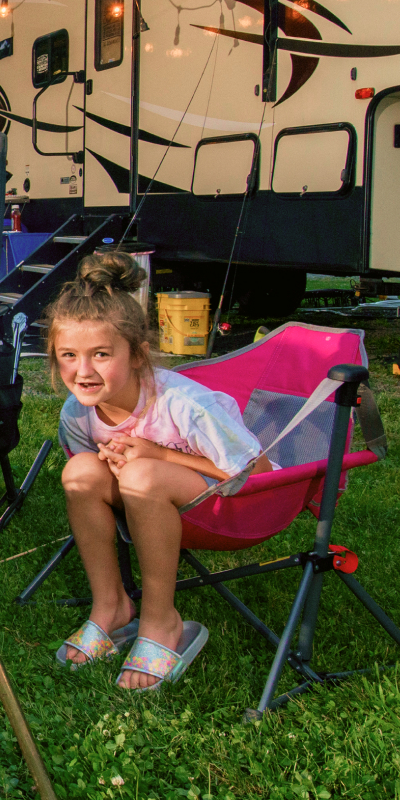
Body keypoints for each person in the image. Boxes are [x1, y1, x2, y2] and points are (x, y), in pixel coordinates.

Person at [51, 251, 268, 690]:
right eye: (68, 355)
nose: (83, 370)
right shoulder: (76, 414)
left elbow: (257, 472)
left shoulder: (185, 405)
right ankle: (111, 607)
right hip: (149, 507)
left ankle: (161, 620)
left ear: (137, 355)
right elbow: (97, 482)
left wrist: (158, 455)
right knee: (81, 473)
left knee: (141, 474)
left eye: (101, 354)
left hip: (231, 509)